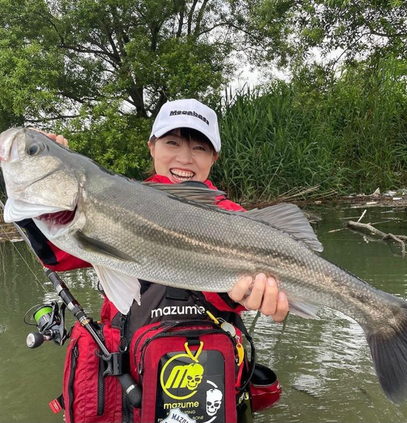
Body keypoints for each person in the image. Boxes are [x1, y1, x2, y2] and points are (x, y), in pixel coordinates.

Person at [22, 98, 287, 423]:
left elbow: (240, 295)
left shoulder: (231, 217)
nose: (185, 158)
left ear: (214, 157)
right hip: (132, 374)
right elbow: (58, 256)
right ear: (152, 146)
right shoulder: (115, 198)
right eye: (172, 142)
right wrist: (45, 176)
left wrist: (249, 297)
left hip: (210, 376)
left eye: (200, 148)